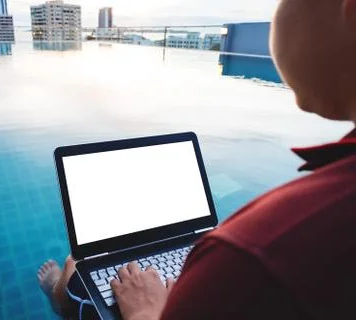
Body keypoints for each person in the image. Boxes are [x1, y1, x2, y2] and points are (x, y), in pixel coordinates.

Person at [38, 0, 356, 318]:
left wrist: (144, 311)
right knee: (86, 275)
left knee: (78, 283)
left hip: (158, 292)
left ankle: (60, 290)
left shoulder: (244, 253)